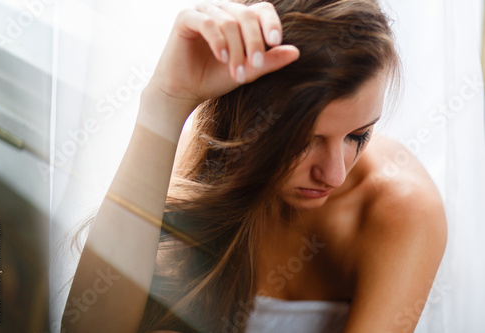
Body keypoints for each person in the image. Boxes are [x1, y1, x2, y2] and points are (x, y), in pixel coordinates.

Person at [62, 0, 447, 332]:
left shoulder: (402, 210)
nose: (334, 174)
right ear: (247, 121)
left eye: (358, 136)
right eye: (302, 141)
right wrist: (164, 101)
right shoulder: (215, 153)